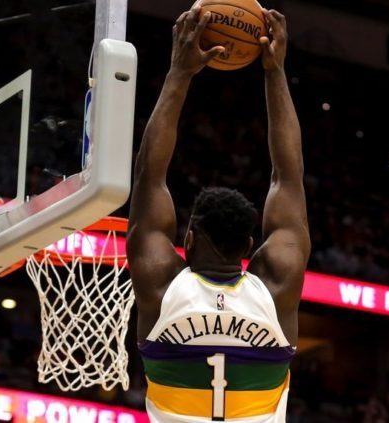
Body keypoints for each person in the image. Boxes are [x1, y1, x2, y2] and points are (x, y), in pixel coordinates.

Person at [126, 4, 310, 422]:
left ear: (187, 239)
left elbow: (149, 176)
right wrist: (275, 71)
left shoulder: (161, 286)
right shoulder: (277, 284)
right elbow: (289, 177)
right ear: (250, 246)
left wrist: (180, 72)